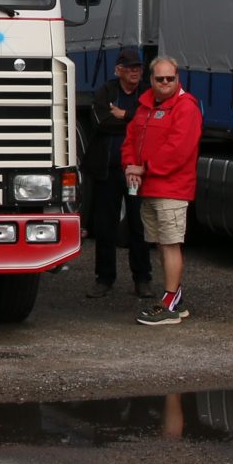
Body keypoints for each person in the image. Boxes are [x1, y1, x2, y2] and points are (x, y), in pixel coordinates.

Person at [122, 57, 202, 325]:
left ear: (177, 78)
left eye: (170, 78)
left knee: (170, 243)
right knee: (161, 243)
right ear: (152, 80)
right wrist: (130, 166)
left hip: (172, 189)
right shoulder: (145, 105)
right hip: (150, 188)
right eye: (160, 78)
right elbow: (130, 139)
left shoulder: (186, 107)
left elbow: (178, 150)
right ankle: (173, 297)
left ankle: (171, 302)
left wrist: (144, 168)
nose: (165, 82)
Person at [81, 48, 152, 298]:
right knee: (105, 227)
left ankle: (142, 279)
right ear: (118, 70)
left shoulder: (147, 93)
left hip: (136, 173)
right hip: (107, 171)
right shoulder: (106, 91)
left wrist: (125, 115)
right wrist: (135, 121)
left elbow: (151, 123)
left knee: (138, 226)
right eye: (130, 67)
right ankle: (104, 278)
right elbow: (100, 122)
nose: (135, 72)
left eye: (138, 67)